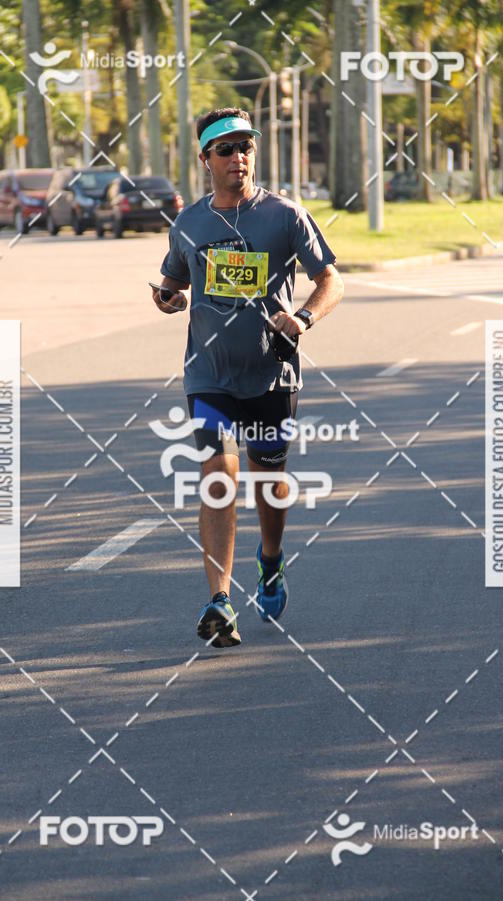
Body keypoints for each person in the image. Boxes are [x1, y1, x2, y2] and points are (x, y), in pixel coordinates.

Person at [153, 107, 343, 648]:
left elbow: (330, 278)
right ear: (205, 159)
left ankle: (271, 557)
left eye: (246, 147)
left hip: (271, 372)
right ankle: (219, 601)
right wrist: (167, 300)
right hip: (208, 373)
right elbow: (172, 285)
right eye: (227, 149)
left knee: (268, 481)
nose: (239, 157)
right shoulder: (189, 222)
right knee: (217, 474)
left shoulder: (283, 215)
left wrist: (303, 317)